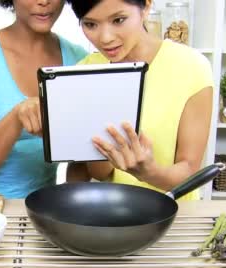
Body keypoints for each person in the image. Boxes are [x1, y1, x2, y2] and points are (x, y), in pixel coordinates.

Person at [67, 0, 214, 200]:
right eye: (90, 24)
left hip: (174, 214)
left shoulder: (192, 67)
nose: (106, 38)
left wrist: (149, 172)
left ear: (145, 6)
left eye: (118, 20)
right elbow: (100, 173)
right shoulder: (84, 71)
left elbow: (189, 169)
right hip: (110, 212)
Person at [0, 0, 88, 199]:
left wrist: (69, 206)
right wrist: (17, 117)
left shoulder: (79, 59)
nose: (44, 1)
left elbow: (83, 160)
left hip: (39, 209)